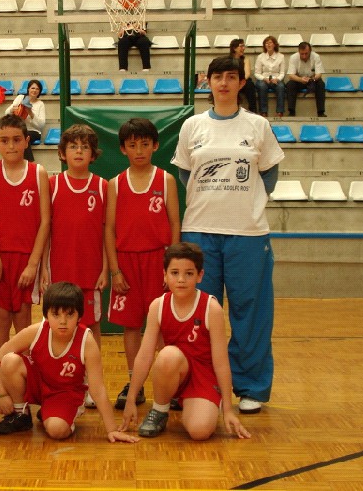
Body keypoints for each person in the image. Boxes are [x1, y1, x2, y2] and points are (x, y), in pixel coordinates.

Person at [171, 56, 285, 415]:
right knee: (195, 313)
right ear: (208, 81)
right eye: (217, 76)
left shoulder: (258, 125)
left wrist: (245, 204)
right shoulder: (192, 126)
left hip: (247, 234)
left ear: (240, 82)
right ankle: (194, 385)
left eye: (231, 76)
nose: (223, 82)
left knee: (250, 312)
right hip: (200, 232)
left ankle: (250, 386)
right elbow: (186, 176)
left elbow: (268, 175)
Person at [120, 243, 250, 440]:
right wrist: (131, 399)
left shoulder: (211, 308)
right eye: (174, 273)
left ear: (200, 275)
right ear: (165, 275)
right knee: (167, 355)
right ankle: (160, 409)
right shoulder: (158, 306)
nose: (181, 279)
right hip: (174, 369)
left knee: (200, 432)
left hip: (203, 375)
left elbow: (221, 362)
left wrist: (229, 408)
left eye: (189, 273)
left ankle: (204, 403)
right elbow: (145, 356)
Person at [0, 281, 139, 443]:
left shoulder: (87, 341)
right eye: (56, 314)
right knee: (10, 360)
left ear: (79, 316)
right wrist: (2, 392)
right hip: (39, 384)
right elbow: (2, 353)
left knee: (57, 430)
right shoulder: (36, 331)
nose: (63, 321)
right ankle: (21, 414)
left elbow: (98, 389)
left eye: (69, 314)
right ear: (46, 315)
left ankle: (58, 414)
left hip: (65, 393)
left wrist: (111, 429)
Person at [105, 118, 180, 410]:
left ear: (155, 146)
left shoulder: (165, 180)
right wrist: (114, 270)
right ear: (123, 149)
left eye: (145, 144)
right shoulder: (115, 184)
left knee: (163, 326)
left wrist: (171, 267)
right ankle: (134, 382)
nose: (139, 150)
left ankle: (168, 383)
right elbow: (109, 229)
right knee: (131, 326)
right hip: (127, 263)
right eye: (133, 145)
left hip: (158, 260)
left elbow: (175, 222)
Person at [41, 124, 108, 407]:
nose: (79, 151)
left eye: (84, 147)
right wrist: (44, 267)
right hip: (59, 272)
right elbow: (45, 229)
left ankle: (91, 385)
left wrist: (106, 268)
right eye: (73, 146)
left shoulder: (104, 186)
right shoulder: (52, 185)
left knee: (91, 329)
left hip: (91, 272)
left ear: (93, 154)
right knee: (55, 328)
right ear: (62, 153)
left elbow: (108, 231)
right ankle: (55, 384)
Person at [0, 114, 50, 360]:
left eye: (16, 140)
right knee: (0, 319)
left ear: (26, 141)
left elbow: (45, 222)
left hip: (26, 258)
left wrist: (34, 264)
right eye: (5, 140)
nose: (11, 146)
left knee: (23, 319)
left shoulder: (38, 172)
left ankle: (23, 379)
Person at [5, 79, 46, 162]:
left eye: (37, 89)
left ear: (39, 91)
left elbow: (41, 125)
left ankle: (28, 162)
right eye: (32, 88)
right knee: (19, 135)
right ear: (28, 89)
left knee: (24, 137)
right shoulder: (20, 98)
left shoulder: (40, 104)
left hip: (34, 131)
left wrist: (30, 113)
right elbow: (6, 113)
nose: (34, 90)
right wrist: (13, 110)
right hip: (20, 129)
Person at [285, 42, 326, 117]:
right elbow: (291, 75)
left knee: (321, 84)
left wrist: (313, 79)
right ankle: (291, 112)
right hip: (299, 80)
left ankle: (321, 112)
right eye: (302, 54)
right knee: (290, 84)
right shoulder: (293, 57)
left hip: (312, 80)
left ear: (310, 51)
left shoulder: (316, 56)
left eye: (306, 53)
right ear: (299, 52)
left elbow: (319, 74)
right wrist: (300, 79)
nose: (304, 56)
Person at [253, 36, 286, 118]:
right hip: (263, 79)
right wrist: (264, 78)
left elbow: (282, 72)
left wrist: (277, 79)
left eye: (270, 43)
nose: (268, 45)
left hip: (276, 79)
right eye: (266, 43)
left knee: (281, 87)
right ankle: (263, 112)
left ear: (275, 44)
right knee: (262, 86)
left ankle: (280, 112)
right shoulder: (260, 57)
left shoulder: (281, 56)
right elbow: (257, 73)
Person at [229, 38, 257, 113]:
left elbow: (247, 73)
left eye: (244, 46)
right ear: (234, 48)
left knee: (250, 85)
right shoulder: (228, 60)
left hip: (243, 80)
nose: (243, 48)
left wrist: (239, 82)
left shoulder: (245, 59)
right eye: (241, 46)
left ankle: (253, 109)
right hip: (232, 80)